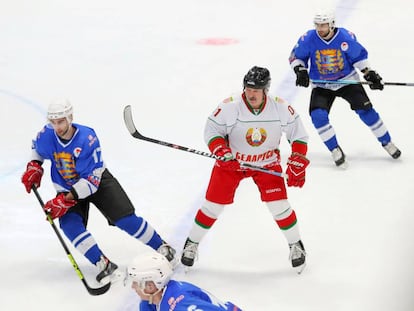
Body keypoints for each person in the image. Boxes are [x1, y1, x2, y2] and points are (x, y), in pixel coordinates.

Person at [21, 99, 176, 283]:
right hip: (67, 187)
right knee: (69, 225)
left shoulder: (87, 139)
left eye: (61, 121)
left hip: (97, 182)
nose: (57, 126)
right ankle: (103, 263)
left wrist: (65, 200)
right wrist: (34, 165)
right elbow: (37, 148)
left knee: (126, 219)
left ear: (70, 117)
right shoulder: (47, 134)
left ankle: (163, 248)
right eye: (53, 122)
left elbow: (90, 182)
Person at [180, 66, 310, 273]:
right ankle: (192, 243)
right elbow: (212, 130)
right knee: (213, 206)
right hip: (231, 163)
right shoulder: (230, 106)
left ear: (265, 90)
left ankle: (296, 245)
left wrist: (297, 158)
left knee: (279, 206)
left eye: (256, 90)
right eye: (248, 89)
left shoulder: (280, 107)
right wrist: (220, 150)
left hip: (266, 163)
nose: (250, 94)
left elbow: (299, 135)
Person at [289, 10, 401, 167]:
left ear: (332, 24)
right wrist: (299, 70)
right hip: (322, 84)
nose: (320, 28)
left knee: (366, 111)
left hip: (347, 81)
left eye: (324, 25)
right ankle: (335, 149)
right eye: (318, 25)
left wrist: (369, 74)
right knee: (318, 116)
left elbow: (359, 57)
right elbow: (296, 56)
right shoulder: (308, 38)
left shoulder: (345, 37)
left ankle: (387, 142)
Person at [127, 252, 243, 310]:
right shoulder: (169, 291)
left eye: (136, 282)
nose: (133, 287)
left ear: (151, 286)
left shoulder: (181, 306)